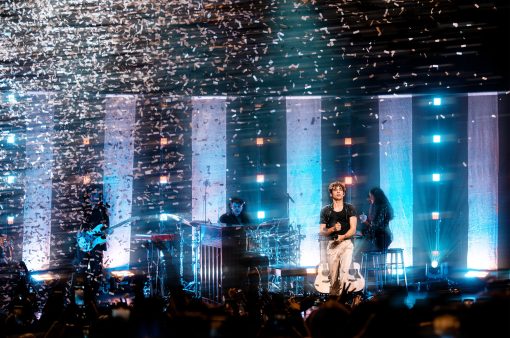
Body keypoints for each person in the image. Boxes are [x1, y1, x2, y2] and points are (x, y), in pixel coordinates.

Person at [319, 181, 358, 296]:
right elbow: (322, 231)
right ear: (331, 194)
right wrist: (332, 229)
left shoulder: (350, 208)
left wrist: (344, 236)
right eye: (335, 189)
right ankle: (333, 303)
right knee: (333, 277)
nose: (338, 191)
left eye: (340, 189)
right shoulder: (325, 210)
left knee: (344, 273)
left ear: (344, 193)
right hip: (332, 244)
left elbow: (353, 228)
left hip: (346, 244)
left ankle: (342, 303)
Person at [75, 189, 110, 296]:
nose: (94, 199)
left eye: (96, 196)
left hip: (96, 243)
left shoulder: (102, 210)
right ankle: (79, 294)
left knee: (96, 269)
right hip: (84, 243)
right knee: (82, 268)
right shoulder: (85, 209)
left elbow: (106, 225)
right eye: (92, 196)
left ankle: (93, 293)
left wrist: (105, 232)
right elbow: (81, 225)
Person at [359, 187, 394, 252]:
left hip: (382, 237)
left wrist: (364, 232)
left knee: (364, 247)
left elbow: (376, 225)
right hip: (382, 235)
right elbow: (375, 225)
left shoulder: (382, 207)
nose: (369, 198)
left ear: (375, 196)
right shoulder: (378, 206)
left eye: (370, 196)